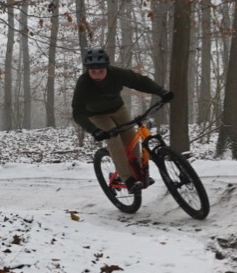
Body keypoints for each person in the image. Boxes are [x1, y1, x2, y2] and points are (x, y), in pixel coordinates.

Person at [72, 48, 173, 190]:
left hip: (119, 110)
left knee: (132, 140)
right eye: (93, 72)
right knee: (115, 142)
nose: (97, 75)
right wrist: (94, 130)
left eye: (101, 71)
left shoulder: (116, 73)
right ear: (88, 70)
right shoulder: (83, 83)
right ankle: (128, 179)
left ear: (107, 68)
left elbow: (140, 81)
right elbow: (77, 112)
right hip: (97, 115)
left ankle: (137, 174)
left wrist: (161, 92)